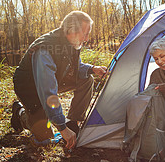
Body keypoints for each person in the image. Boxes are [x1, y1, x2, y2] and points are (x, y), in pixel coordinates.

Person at [11, 11, 107, 150]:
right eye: (85, 34)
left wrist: (93, 68)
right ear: (72, 31)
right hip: (30, 88)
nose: (86, 39)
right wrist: (62, 128)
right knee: (44, 136)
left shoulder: (72, 42)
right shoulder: (45, 49)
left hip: (53, 79)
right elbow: (47, 91)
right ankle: (20, 113)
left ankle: (72, 122)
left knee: (87, 79)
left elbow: (76, 66)